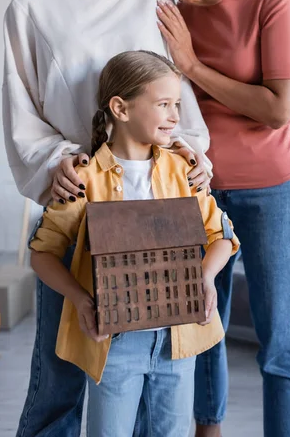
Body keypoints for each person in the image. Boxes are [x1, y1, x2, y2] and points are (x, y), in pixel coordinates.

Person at [3, 0, 211, 437]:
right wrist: (59, 162)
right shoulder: (32, 8)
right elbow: (23, 114)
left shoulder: (156, 3)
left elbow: (181, 111)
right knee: (60, 373)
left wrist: (190, 154)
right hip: (77, 208)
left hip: (153, 212)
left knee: (148, 374)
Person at [137, 0, 290, 437]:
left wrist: (190, 65)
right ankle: (206, 430)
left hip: (273, 191)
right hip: (198, 191)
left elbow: (277, 109)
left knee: (279, 338)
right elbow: (103, 0)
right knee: (201, 324)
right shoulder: (170, 16)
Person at [29, 50, 240, 437]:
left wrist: (205, 278)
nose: (176, 116)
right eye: (164, 104)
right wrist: (79, 299)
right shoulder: (84, 177)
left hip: (179, 340)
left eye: (177, 104)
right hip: (114, 344)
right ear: (120, 109)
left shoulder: (183, 170)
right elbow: (42, 252)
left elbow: (223, 237)